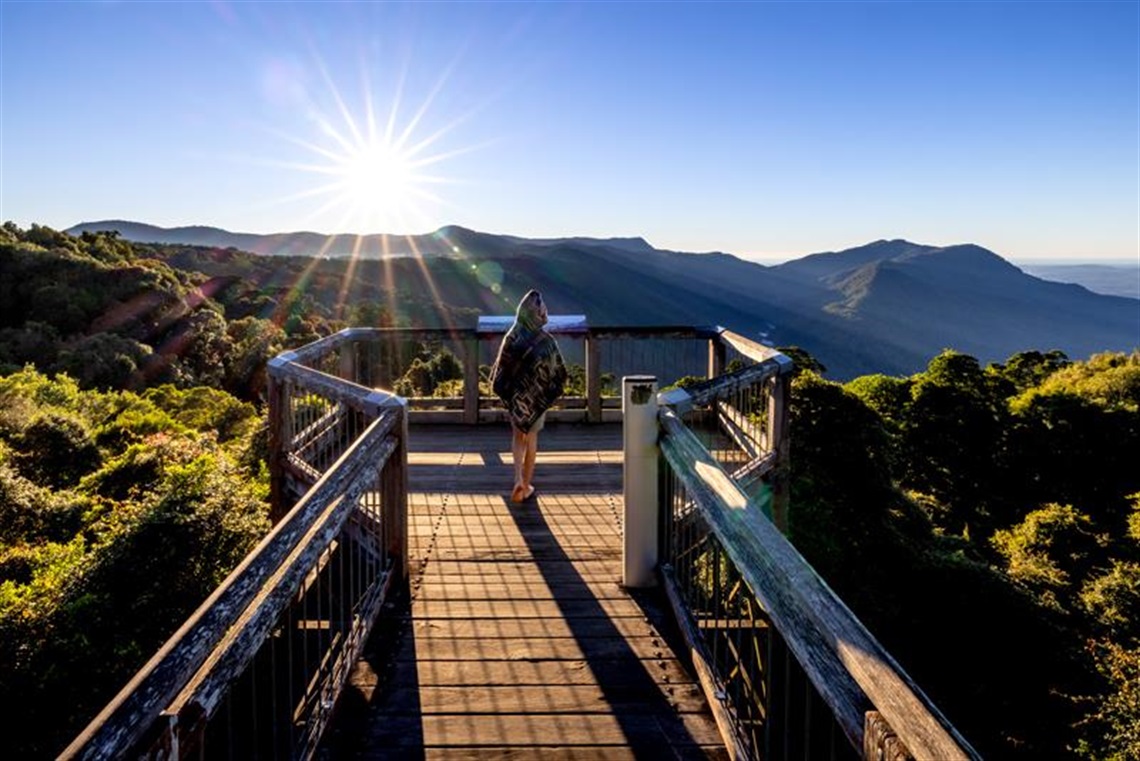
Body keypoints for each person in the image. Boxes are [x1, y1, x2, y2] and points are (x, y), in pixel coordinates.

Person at [489, 289, 568, 503]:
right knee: (531, 439)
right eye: (543, 308)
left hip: (516, 398)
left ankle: (517, 478)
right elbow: (558, 372)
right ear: (538, 313)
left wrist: (512, 390)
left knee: (517, 436)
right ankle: (526, 485)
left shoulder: (512, 336)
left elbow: (502, 370)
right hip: (536, 399)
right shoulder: (546, 340)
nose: (545, 311)